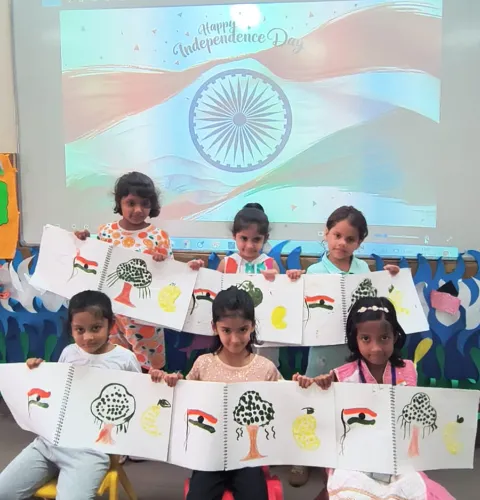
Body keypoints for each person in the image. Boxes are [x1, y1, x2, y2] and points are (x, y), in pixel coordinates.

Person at [294, 296, 454, 500]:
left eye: (384, 338)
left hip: (397, 455)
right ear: (355, 339)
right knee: (350, 491)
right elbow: (317, 403)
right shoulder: (342, 375)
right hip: (354, 457)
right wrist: (309, 385)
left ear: (395, 336)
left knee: (415, 489)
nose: (376, 348)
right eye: (366, 339)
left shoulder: (408, 370)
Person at [289, 205, 400, 487]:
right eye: (337, 235)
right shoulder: (314, 270)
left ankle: (340, 454)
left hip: (354, 351)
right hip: (323, 349)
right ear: (326, 233)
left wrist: (390, 277)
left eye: (350, 239)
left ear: (359, 243)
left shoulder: (363, 269)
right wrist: (294, 280)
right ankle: (302, 457)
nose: (342, 243)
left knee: (347, 400)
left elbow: (376, 305)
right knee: (314, 398)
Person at [0, 291, 143, 500]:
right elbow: (57, 393)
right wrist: (37, 372)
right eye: (80, 330)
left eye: (96, 328)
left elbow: (140, 399)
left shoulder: (125, 359)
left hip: (90, 451)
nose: (88, 337)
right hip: (49, 442)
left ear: (111, 325)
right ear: (71, 329)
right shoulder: (69, 352)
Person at [152, 286, 281, 500]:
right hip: (210, 454)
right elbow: (185, 398)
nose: (235, 339)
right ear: (214, 327)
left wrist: (303, 385)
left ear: (252, 326)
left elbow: (286, 403)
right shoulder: (203, 364)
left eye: (242, 329)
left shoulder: (265, 368)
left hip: (248, 457)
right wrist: (169, 381)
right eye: (226, 330)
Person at [75, 171, 172, 373]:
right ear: (119, 202)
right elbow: (94, 263)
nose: (138, 210)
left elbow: (170, 278)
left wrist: (162, 262)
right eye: (131, 203)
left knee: (150, 372)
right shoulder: (106, 232)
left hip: (146, 319)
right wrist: (82, 241)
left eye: (145, 204)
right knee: (114, 365)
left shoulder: (159, 236)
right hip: (112, 316)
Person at [189, 202, 304, 366]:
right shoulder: (227, 263)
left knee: (262, 368)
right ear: (234, 236)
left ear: (265, 238)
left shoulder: (270, 264)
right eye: (244, 238)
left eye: (256, 239)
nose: (249, 245)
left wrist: (284, 278)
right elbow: (212, 294)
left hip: (264, 335)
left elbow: (280, 298)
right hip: (233, 333)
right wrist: (194, 269)